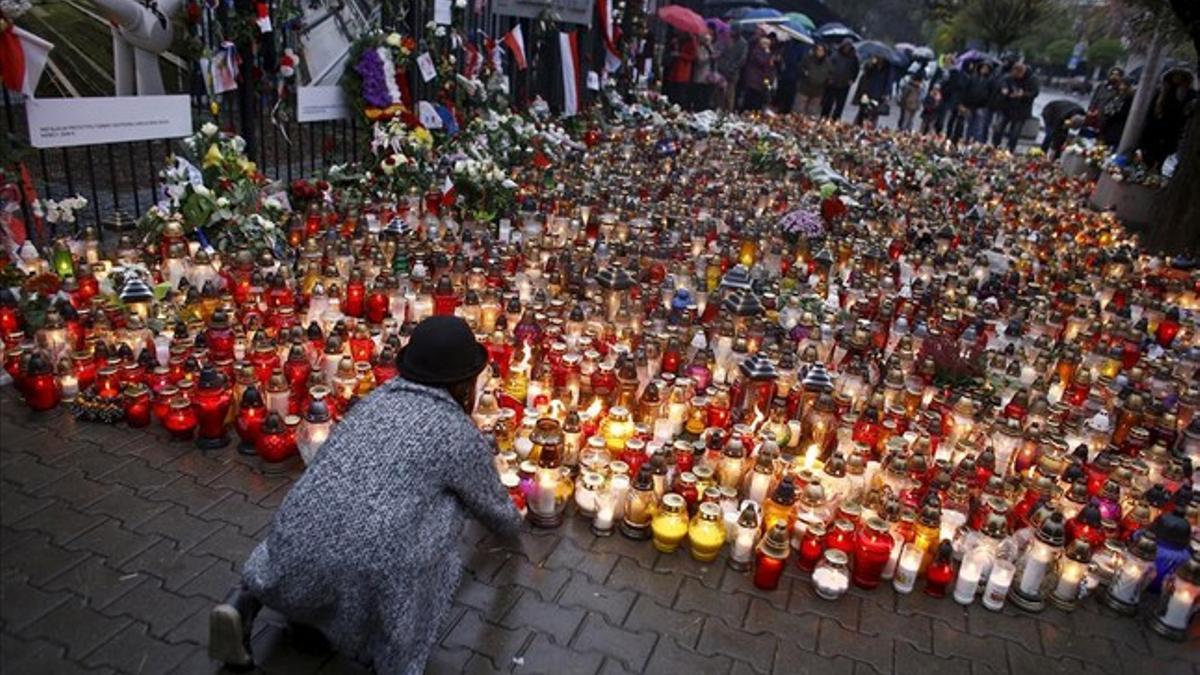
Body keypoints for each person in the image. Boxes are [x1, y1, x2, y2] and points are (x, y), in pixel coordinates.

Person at [208, 316, 522, 674]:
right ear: (464, 382)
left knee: (329, 506)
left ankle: (243, 604)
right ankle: (389, 651)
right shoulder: (455, 430)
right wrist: (516, 528)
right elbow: (495, 508)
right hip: (368, 575)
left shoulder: (374, 400)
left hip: (290, 549)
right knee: (450, 505)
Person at [1139, 68, 1196, 170]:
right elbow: (1151, 113)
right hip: (1155, 131)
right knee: (1148, 158)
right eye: (1175, 75)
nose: (1177, 78)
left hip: (1173, 133)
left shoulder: (1189, 94)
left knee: (1163, 160)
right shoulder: (1162, 92)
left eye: (1180, 76)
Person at [991, 62, 1039, 151]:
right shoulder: (1009, 77)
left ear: (1023, 72)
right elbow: (1002, 82)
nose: (1016, 77)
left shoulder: (1032, 79)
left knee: (1015, 133)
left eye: (1018, 75)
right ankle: (995, 146)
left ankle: (1010, 149)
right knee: (998, 128)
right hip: (1006, 107)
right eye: (1014, 74)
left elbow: (1035, 93)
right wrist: (1004, 89)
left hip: (1021, 110)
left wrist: (1023, 94)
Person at [1089, 67, 1133, 148]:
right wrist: (1091, 110)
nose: (1114, 76)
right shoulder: (1102, 86)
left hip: (1108, 124)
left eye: (1117, 75)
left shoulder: (1121, 93)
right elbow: (1094, 100)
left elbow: (1115, 110)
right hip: (1095, 118)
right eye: (1113, 74)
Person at [822, 39, 860, 120]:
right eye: (846, 46)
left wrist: (852, 79)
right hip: (832, 83)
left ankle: (835, 120)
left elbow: (856, 70)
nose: (847, 48)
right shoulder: (835, 55)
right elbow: (828, 66)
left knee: (840, 105)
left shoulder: (853, 58)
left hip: (844, 84)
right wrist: (829, 78)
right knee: (828, 103)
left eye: (849, 46)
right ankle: (824, 118)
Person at [792, 43, 832, 116]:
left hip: (818, 91)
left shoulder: (828, 63)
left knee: (811, 113)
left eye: (822, 50)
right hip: (804, 88)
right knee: (798, 111)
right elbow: (800, 68)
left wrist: (827, 80)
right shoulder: (808, 59)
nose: (820, 52)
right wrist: (805, 73)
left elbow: (830, 74)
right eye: (818, 50)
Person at [851, 56, 891, 127]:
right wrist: (871, 64)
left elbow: (888, 81)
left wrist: (886, 93)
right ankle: (858, 125)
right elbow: (866, 73)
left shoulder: (888, 68)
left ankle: (869, 127)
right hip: (866, 92)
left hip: (877, 94)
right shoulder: (871, 64)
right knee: (862, 110)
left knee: (873, 112)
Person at [961, 61, 995, 143]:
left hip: (982, 106)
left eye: (986, 68)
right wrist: (964, 104)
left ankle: (976, 143)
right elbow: (966, 90)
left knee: (979, 126)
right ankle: (967, 140)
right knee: (969, 125)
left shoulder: (991, 80)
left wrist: (987, 104)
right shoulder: (973, 77)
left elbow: (991, 94)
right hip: (971, 104)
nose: (984, 70)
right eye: (983, 67)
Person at [740, 36, 776, 112]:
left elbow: (769, 70)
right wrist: (768, 55)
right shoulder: (757, 52)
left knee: (758, 103)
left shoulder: (768, 55)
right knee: (749, 101)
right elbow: (761, 61)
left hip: (762, 82)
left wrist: (769, 85)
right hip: (754, 81)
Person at [716, 28, 748, 111]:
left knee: (729, 94)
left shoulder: (743, 43)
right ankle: (719, 109)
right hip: (722, 69)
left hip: (733, 72)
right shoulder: (726, 40)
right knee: (720, 92)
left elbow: (742, 59)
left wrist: (733, 67)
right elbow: (722, 52)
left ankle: (728, 111)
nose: (731, 32)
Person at [665, 32, 697, 106]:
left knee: (681, 94)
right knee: (671, 92)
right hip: (674, 71)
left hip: (683, 72)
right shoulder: (677, 40)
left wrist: (680, 55)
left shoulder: (691, 43)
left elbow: (692, 57)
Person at [691, 30, 716, 110]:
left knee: (706, 96)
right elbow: (700, 60)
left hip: (709, 76)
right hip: (700, 75)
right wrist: (709, 58)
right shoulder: (699, 48)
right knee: (699, 96)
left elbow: (714, 55)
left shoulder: (710, 47)